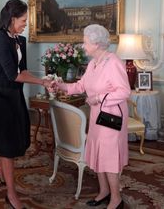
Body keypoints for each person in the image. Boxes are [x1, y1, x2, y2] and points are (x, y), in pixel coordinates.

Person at [0, 0, 52, 209]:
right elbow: (13, 75)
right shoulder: (0, 40)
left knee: (13, 140)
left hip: (13, 96)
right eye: (23, 20)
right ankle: (11, 196)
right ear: (12, 19)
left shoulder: (19, 40)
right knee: (7, 147)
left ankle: (0, 170)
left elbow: (23, 71)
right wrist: (42, 82)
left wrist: (44, 79)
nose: (26, 24)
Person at [54, 24, 131, 209]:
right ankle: (104, 192)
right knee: (100, 153)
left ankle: (116, 198)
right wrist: (61, 85)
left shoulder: (113, 62)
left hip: (112, 117)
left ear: (96, 44)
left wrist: (98, 97)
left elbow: (124, 91)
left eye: (85, 41)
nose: (83, 44)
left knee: (109, 156)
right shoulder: (93, 63)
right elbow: (81, 86)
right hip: (98, 116)